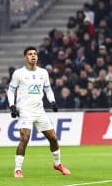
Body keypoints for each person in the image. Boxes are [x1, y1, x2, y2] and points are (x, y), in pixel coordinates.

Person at [7, 46, 71, 178]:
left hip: (39, 111)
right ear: (25, 57)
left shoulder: (43, 73)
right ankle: (18, 169)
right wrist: (12, 105)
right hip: (25, 111)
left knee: (53, 138)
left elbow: (48, 89)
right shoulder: (18, 73)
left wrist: (52, 101)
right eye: (30, 54)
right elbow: (11, 90)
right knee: (24, 138)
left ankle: (58, 164)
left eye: (35, 54)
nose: (33, 56)